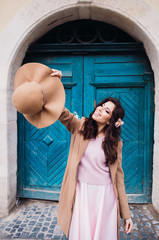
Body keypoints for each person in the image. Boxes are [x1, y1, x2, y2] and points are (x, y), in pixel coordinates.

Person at [50, 69, 133, 240]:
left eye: (107, 111)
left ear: (112, 121)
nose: (101, 109)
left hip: (105, 197)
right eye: (102, 105)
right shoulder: (79, 126)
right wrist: (57, 83)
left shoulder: (116, 144)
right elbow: (60, 111)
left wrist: (127, 214)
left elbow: (118, 179)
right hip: (82, 193)